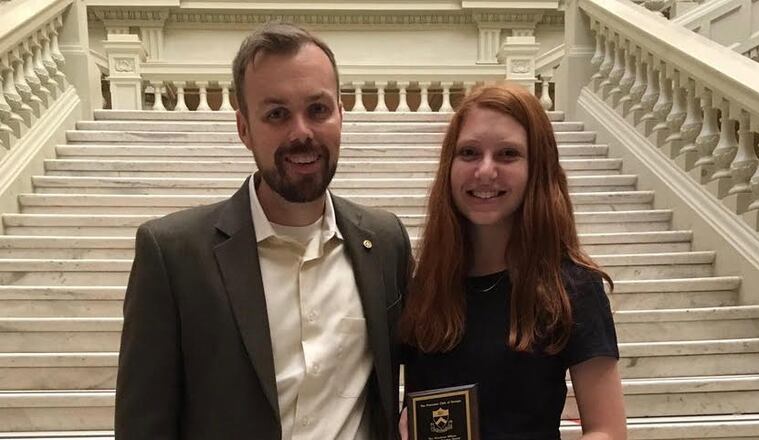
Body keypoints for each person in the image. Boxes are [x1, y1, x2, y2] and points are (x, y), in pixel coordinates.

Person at [115, 23, 411, 439]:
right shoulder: (172, 254)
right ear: (244, 128)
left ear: (341, 113)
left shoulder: (385, 241)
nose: (301, 132)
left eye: (318, 109)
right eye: (276, 114)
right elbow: (143, 426)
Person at [398, 83, 626, 440]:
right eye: (470, 152)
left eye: (507, 154)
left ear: (538, 168)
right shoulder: (425, 285)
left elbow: (607, 430)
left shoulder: (573, 286)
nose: (485, 171)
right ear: (450, 165)